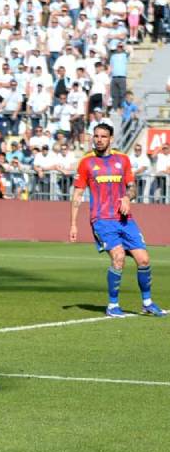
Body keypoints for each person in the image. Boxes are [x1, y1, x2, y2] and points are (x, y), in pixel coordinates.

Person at [69, 124, 166, 318]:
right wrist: (73, 224)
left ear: (111, 139)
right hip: (102, 220)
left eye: (103, 136)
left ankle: (147, 303)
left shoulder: (123, 159)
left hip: (124, 219)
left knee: (144, 259)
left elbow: (132, 188)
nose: (99, 140)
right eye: (96, 136)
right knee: (118, 257)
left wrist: (127, 198)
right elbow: (78, 194)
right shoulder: (86, 162)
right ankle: (113, 305)